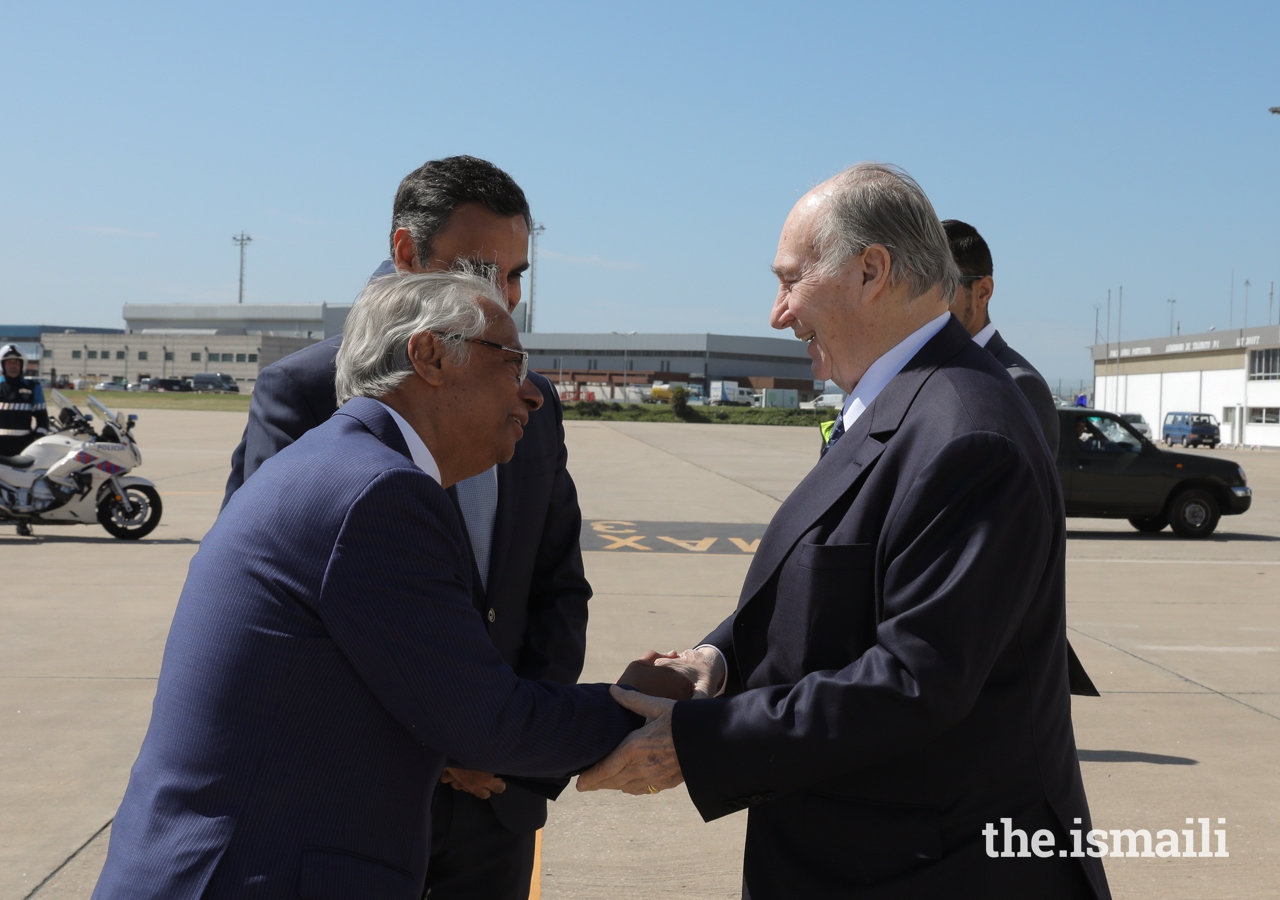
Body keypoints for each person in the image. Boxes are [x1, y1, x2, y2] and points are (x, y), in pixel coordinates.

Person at [579, 164, 1110, 900]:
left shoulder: (967, 433)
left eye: (790, 280)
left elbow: (914, 681)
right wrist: (717, 661)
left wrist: (695, 746)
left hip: (937, 871)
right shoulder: (900, 402)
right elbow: (826, 584)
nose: (777, 312)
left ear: (871, 270)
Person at [92, 273, 642, 900]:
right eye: (513, 363)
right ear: (430, 356)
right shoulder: (379, 493)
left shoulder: (339, 462)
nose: (534, 396)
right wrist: (654, 708)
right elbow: (483, 719)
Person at [221, 157, 585, 899]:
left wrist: (513, 758)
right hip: (354, 802)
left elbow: (557, 587)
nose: (503, 296)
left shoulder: (533, 405)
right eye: (481, 270)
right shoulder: (304, 394)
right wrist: (457, 736)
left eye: (516, 275)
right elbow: (286, 613)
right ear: (407, 254)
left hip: (496, 810)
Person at [943, 219, 1098, 698]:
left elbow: (1008, 533)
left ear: (982, 290)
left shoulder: (1015, 385)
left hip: (986, 646)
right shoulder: (941, 373)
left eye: (941, 285)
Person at [942, 220, 1060, 449]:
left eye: (943, 285)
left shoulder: (1020, 386)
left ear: (983, 291)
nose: (926, 301)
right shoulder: (921, 375)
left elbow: (1030, 484)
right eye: (918, 286)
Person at [0, 344, 50, 458]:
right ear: (2, 365)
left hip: (23, 445)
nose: (13, 366)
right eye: (9, 362)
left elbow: (42, 418)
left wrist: (39, 438)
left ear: (22, 364)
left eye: (16, 362)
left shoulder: (33, 388)